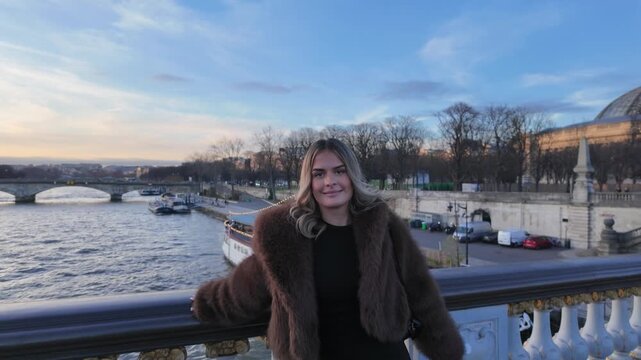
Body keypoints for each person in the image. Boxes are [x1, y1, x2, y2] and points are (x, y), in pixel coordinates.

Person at [192, 138, 464, 360]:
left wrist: (446, 349)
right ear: (308, 182)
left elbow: (419, 288)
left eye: (339, 171)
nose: (329, 181)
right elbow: (245, 290)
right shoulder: (284, 236)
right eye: (319, 174)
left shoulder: (382, 225)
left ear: (352, 175)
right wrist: (206, 303)